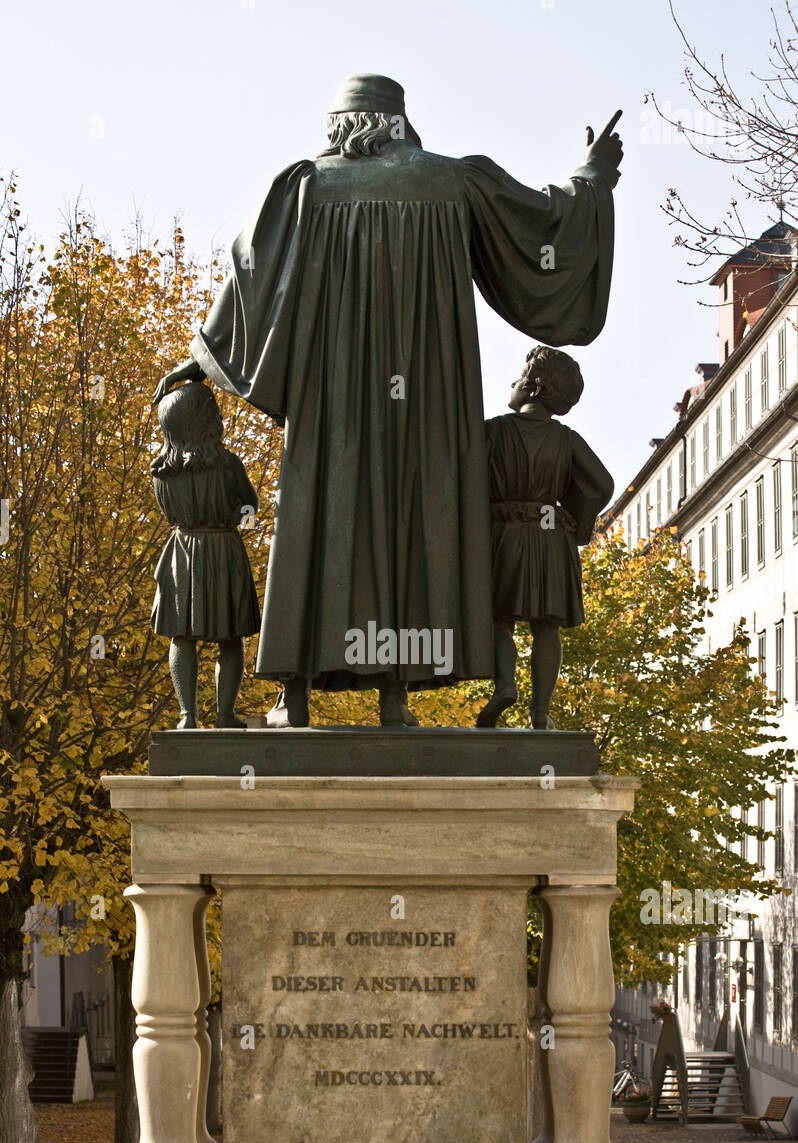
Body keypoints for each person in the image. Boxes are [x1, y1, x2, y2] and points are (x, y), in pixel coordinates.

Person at [154, 75, 623, 727]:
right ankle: (396, 699)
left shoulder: (309, 186)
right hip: (431, 405)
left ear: (346, 125)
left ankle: (294, 696)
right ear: (399, 123)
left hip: (333, 399)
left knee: (323, 518)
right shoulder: (455, 182)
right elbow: (544, 228)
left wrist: (203, 358)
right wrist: (592, 175)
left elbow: (251, 272)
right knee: (414, 523)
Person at [476, 346, 614, 730]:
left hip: (502, 533)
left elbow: (465, 480)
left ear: (534, 386)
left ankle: (505, 686)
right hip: (551, 535)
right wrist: (574, 522)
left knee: (500, 619)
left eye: (520, 376)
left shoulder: (491, 430)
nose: (513, 382)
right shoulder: (567, 439)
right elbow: (602, 484)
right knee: (546, 625)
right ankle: (541, 713)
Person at [150, 382, 260, 729]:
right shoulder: (227, 464)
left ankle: (187, 717)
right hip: (224, 549)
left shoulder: (161, 472)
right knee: (230, 636)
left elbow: (168, 514)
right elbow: (250, 506)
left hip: (182, 551)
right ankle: (225, 715)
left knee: (181, 634)